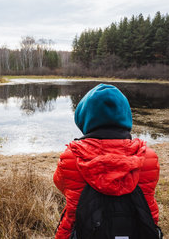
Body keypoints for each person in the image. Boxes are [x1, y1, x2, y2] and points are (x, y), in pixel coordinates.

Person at [53, 83, 160, 238]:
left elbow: (60, 184)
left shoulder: (72, 156)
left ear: (85, 119)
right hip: (140, 231)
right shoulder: (147, 156)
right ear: (125, 115)